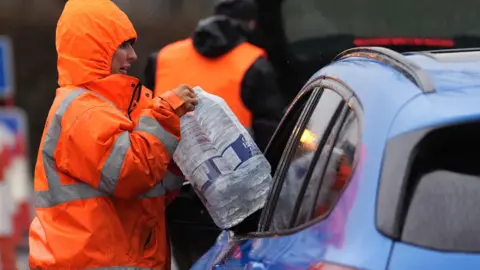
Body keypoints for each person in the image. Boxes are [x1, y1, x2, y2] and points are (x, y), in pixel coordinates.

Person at [28, 0, 197, 269]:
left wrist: (175, 158)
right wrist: (165, 117)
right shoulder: (82, 110)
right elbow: (132, 172)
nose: (133, 56)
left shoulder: (103, 109)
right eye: (123, 45)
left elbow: (152, 190)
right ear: (94, 48)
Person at [143, 0, 285, 152]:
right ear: (251, 24)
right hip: (234, 168)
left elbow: (142, 115)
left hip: (166, 166)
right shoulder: (254, 63)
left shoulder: (162, 58)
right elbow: (270, 133)